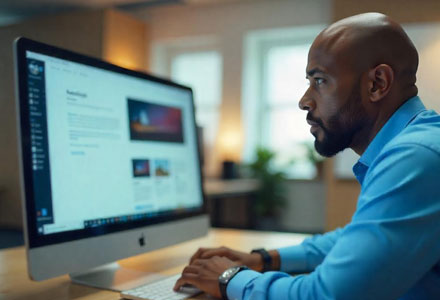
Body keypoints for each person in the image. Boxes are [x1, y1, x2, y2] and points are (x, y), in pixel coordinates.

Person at [174, 12, 440, 300]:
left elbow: (327, 295)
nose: (304, 101)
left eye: (320, 81)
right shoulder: (418, 144)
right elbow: (360, 239)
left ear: (377, 83)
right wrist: (264, 259)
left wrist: (229, 278)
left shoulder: (416, 158)